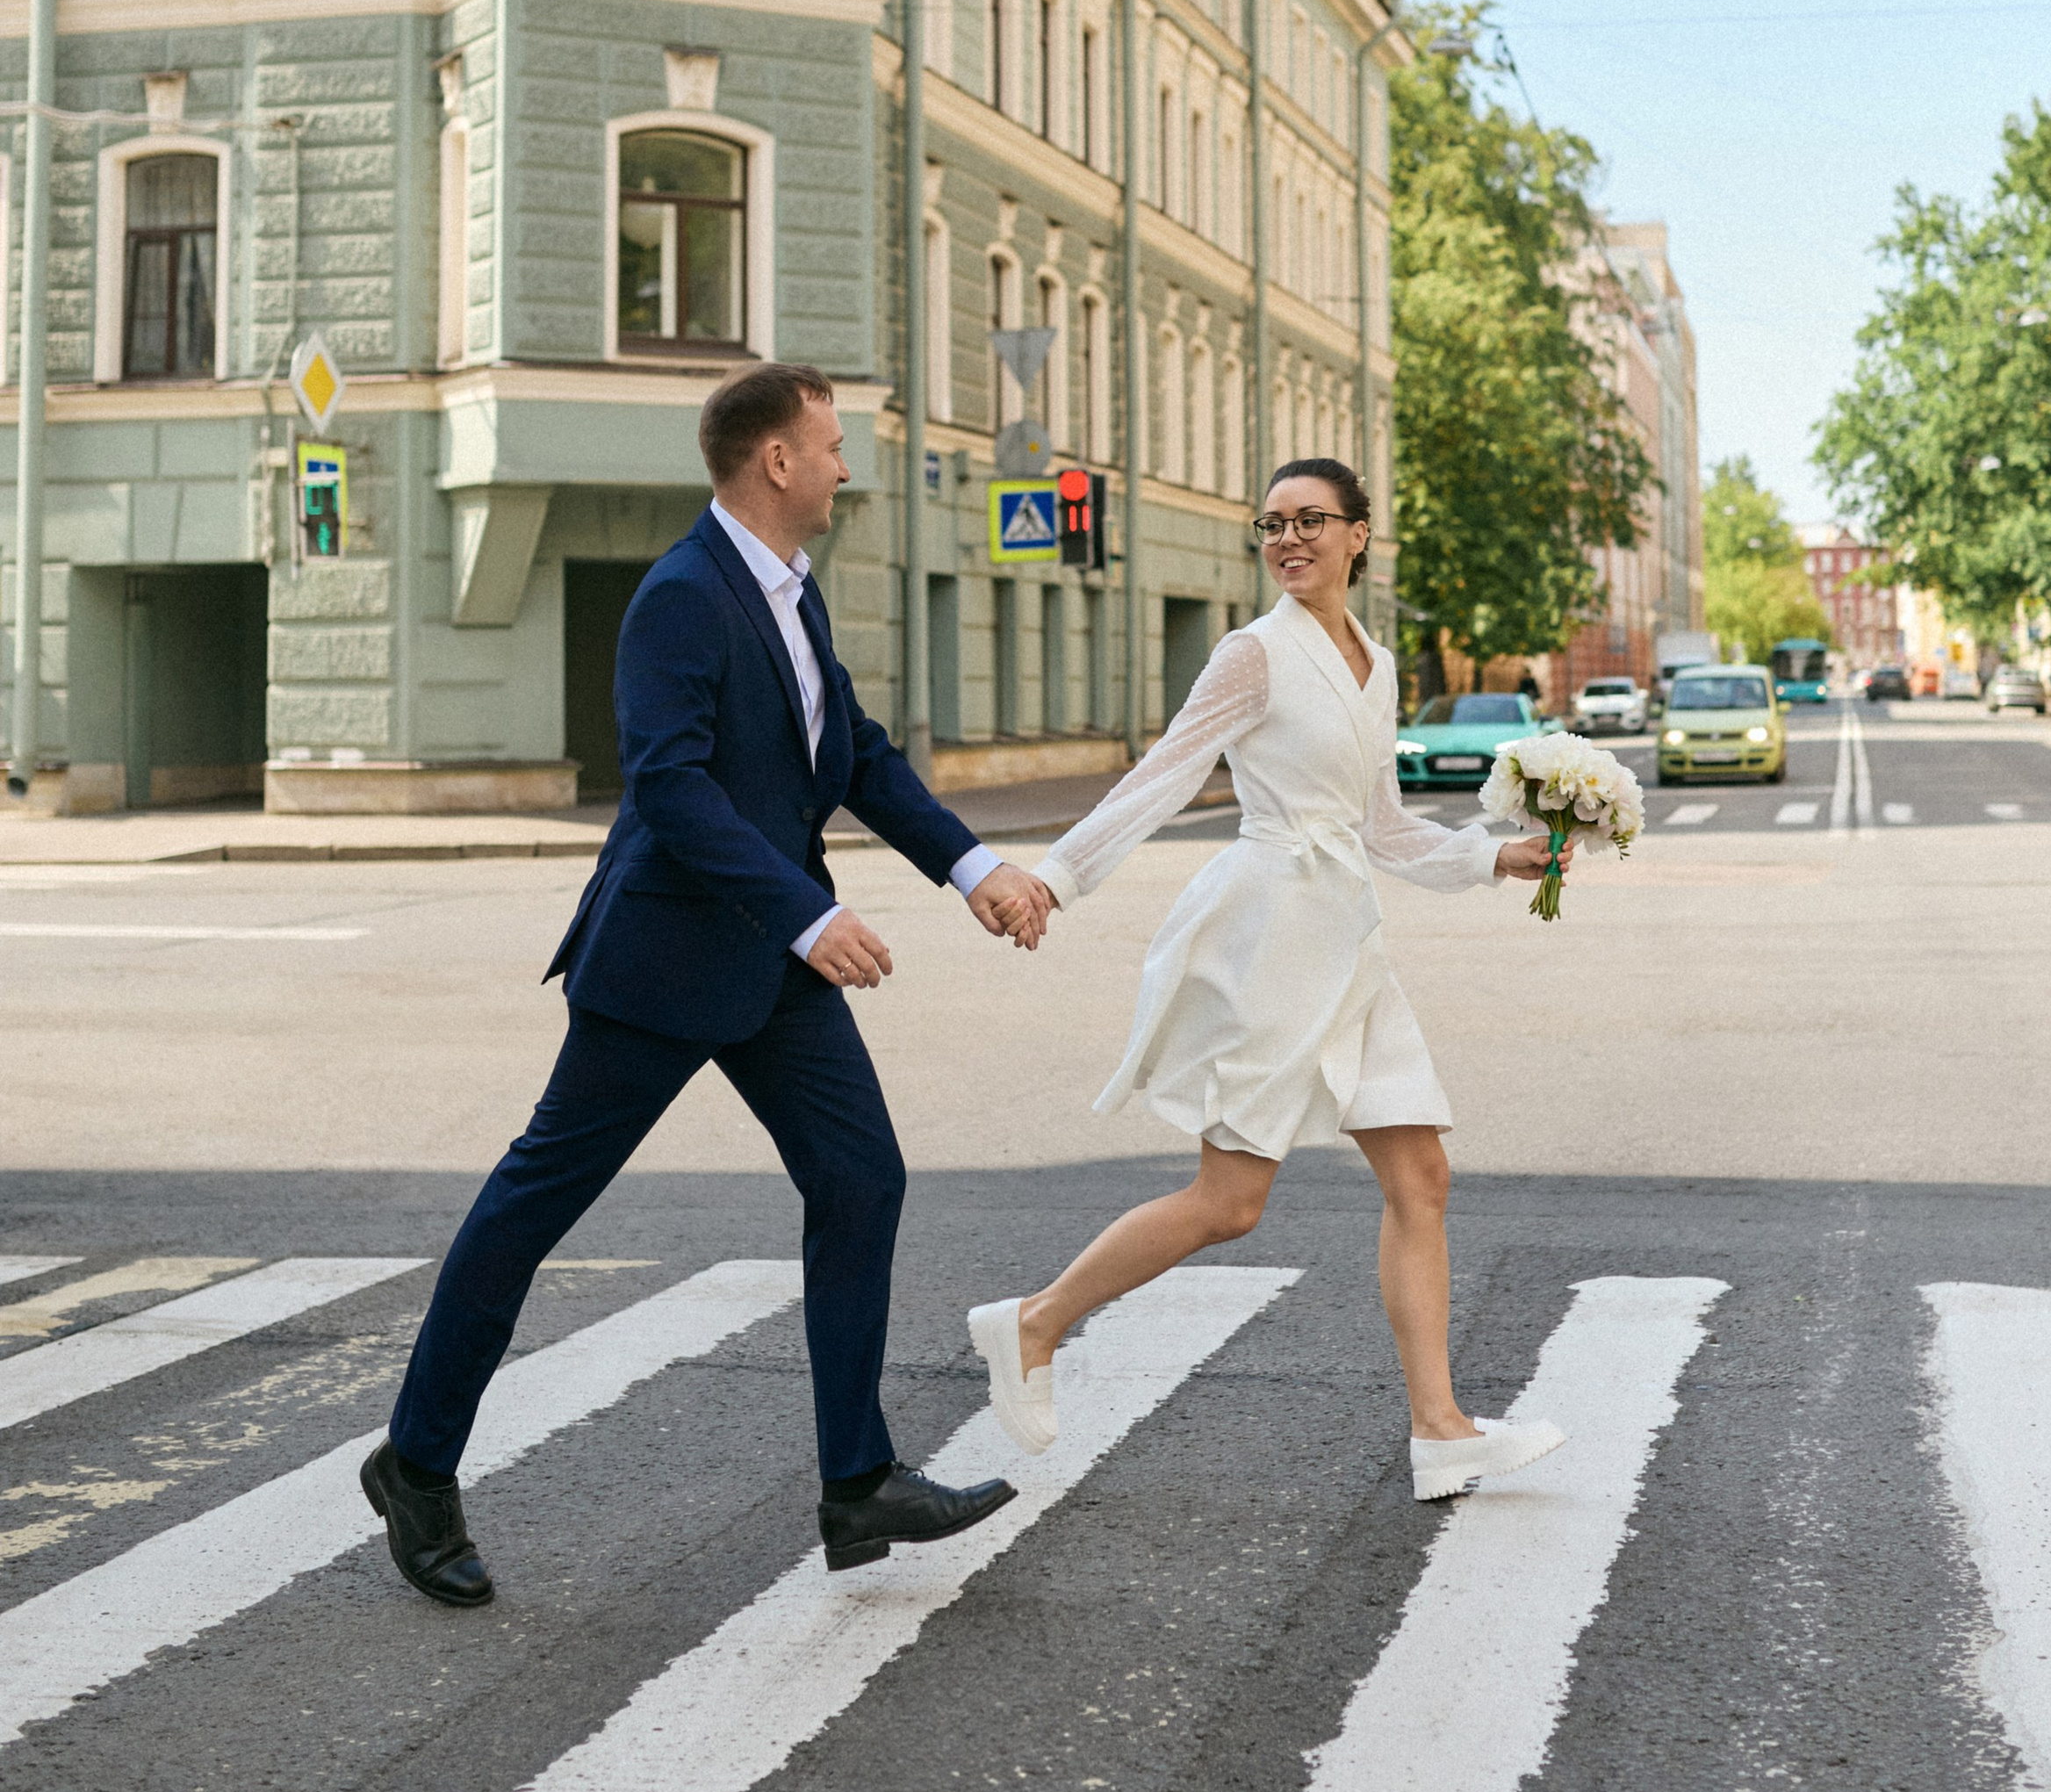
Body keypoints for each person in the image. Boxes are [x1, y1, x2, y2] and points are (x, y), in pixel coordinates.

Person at [363, 361, 1052, 1604]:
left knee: (860, 1180)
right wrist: (808, 914)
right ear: (775, 460)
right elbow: (670, 788)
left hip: (774, 961)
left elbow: (854, 755)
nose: (848, 465)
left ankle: (858, 1484)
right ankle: (414, 1466)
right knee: (531, 1209)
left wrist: (975, 869)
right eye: (833, 445)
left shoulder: (791, 595)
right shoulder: (682, 595)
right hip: (671, 958)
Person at [968, 457, 1572, 1500]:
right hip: (1274, 935)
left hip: (1350, 937)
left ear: (1358, 535)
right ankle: (1032, 1321)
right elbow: (1164, 772)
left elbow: (1379, 827)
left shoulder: (1375, 665)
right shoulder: (1253, 655)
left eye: (1310, 521)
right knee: (1231, 1201)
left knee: (1419, 1178)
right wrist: (1054, 878)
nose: (1288, 539)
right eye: (1273, 523)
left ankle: (1440, 1429)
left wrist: (1491, 856)